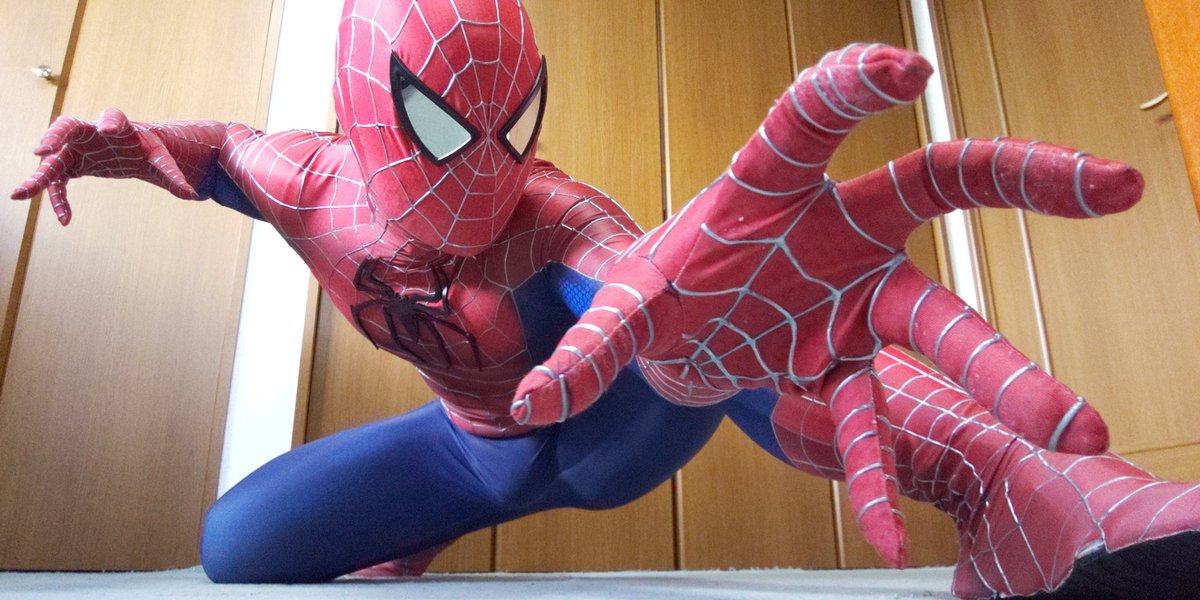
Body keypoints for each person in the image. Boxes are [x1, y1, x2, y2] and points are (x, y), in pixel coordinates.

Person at [12, 1, 1199, 597]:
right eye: (444, 124)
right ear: (368, 106)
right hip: (475, 457)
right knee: (231, 552)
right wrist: (132, 145)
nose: (487, 165)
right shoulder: (307, 183)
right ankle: (411, 537)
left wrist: (699, 296)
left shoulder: (555, 213)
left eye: (512, 121)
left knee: (712, 314)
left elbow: (644, 277)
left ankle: (1009, 484)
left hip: (612, 426)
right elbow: (220, 149)